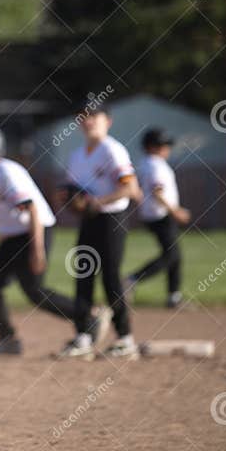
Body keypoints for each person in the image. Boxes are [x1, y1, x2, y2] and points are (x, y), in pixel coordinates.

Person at [0, 124, 110, 356]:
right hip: (13, 238)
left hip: (34, 231)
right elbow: (6, 217)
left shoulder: (5, 173)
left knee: (34, 291)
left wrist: (37, 250)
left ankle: (89, 316)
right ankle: (7, 339)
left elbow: (32, 209)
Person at [56, 103, 141, 360]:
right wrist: (67, 198)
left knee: (110, 278)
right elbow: (71, 190)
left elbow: (130, 188)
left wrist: (96, 202)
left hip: (112, 219)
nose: (88, 120)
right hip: (89, 221)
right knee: (83, 274)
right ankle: (83, 336)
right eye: (83, 116)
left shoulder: (112, 150)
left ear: (108, 121)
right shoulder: (77, 155)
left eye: (94, 115)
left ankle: (125, 339)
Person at [125, 128, 190, 308]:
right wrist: (175, 211)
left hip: (154, 214)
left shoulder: (146, 163)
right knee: (171, 254)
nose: (167, 149)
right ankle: (132, 279)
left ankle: (173, 296)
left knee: (174, 254)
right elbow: (157, 191)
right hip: (160, 215)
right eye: (163, 145)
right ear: (152, 147)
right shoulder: (155, 165)